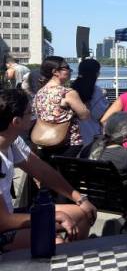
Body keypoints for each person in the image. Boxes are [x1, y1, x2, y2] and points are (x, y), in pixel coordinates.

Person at [0, 89, 97, 252]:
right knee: (54, 243)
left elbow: (43, 171)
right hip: (3, 227)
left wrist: (80, 198)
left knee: (83, 214)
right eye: (29, 113)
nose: (34, 117)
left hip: (9, 217)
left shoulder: (12, 142)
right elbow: (3, 221)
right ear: (16, 122)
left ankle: (74, 257)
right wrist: (49, 217)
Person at [33, 56, 91, 162]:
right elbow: (85, 115)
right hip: (68, 143)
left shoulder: (40, 92)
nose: (70, 70)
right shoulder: (67, 93)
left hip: (45, 140)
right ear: (55, 72)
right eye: (67, 67)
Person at [71, 59, 109, 146]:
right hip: (92, 135)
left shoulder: (71, 89)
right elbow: (101, 115)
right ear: (97, 74)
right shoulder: (97, 92)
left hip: (74, 136)